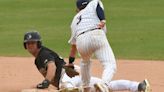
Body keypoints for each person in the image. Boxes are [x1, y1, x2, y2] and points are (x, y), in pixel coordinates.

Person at [68, 0, 116, 90]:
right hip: (96, 35)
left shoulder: (75, 20)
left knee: (85, 62)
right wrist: (103, 20)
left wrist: (70, 62)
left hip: (81, 41)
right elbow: (98, 8)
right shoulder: (93, 3)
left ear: (78, 9)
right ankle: (104, 84)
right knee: (109, 64)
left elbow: (73, 46)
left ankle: (85, 87)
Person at [56, 65, 151, 92]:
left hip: (71, 79)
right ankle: (138, 86)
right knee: (106, 86)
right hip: (81, 78)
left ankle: (138, 86)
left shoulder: (62, 74)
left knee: (67, 87)